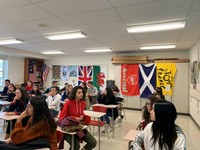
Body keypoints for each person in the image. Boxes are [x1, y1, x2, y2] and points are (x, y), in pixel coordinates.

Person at [59, 86, 97, 150]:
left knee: (93, 142)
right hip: (68, 128)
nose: (81, 94)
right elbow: (61, 117)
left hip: (78, 127)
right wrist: (73, 118)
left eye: (82, 92)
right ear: (74, 94)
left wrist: (82, 115)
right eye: (79, 93)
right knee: (76, 146)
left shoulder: (83, 103)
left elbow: (80, 113)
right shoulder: (68, 103)